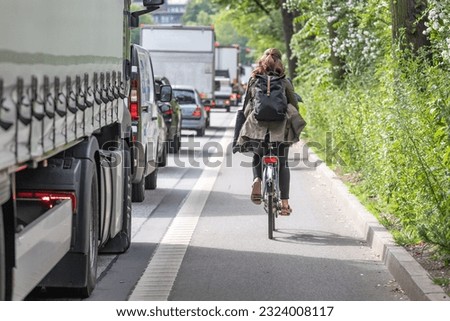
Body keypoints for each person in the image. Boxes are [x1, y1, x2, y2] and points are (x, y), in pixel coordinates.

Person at [235, 48, 301, 216]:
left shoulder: (254, 80)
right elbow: (294, 105)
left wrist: (240, 135)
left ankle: (257, 179)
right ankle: (285, 203)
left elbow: (245, 108)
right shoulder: (284, 81)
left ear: (262, 62)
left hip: (258, 128)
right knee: (283, 162)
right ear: (279, 62)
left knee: (258, 154)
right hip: (280, 129)